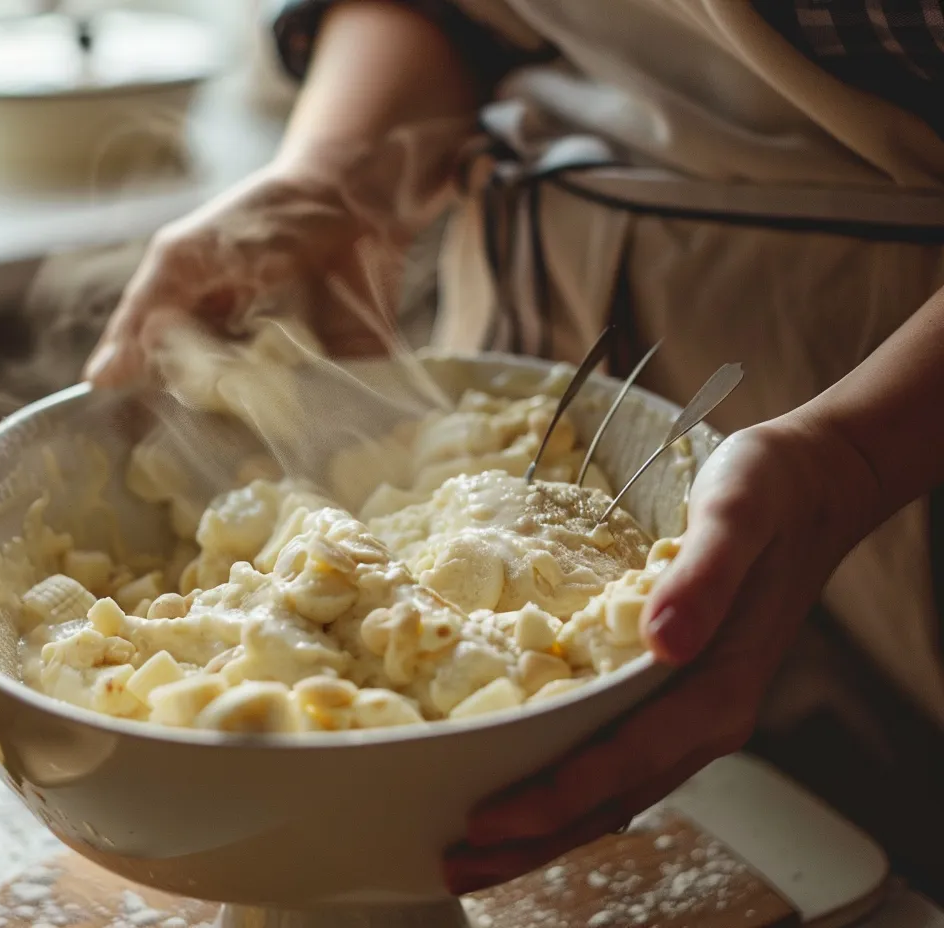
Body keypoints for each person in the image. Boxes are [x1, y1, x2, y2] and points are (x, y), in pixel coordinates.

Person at [84, 0, 944, 894]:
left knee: (878, 859)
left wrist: (856, 460)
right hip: (543, 347)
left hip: (900, 415)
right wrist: (336, 173)